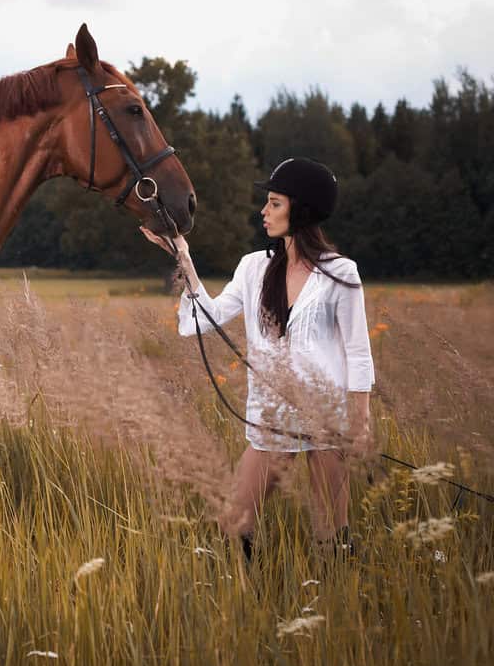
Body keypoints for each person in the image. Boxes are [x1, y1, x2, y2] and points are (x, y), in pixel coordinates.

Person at [141, 157, 375, 561]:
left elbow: (358, 352)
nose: (263, 212)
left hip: (327, 419)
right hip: (271, 417)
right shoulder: (254, 268)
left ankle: (339, 598)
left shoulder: (341, 273)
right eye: (267, 203)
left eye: (274, 203)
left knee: (331, 536)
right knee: (235, 523)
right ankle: (250, 594)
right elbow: (208, 317)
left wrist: (361, 420)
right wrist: (184, 258)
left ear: (301, 209)